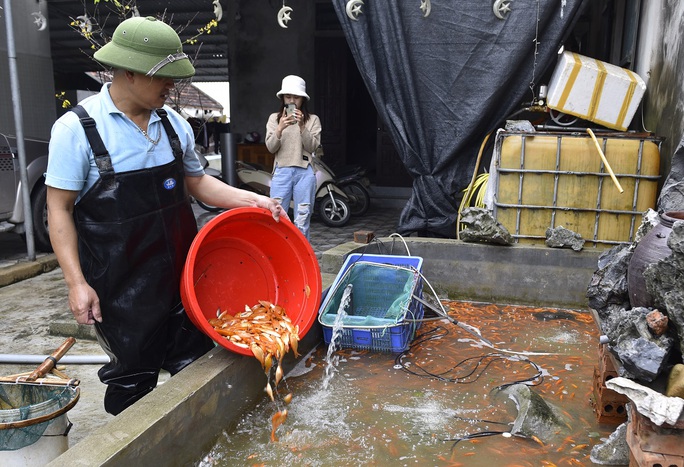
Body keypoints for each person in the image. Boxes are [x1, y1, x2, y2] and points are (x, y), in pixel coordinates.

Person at [45, 16, 286, 416]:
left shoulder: (174, 125)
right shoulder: (77, 130)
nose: (172, 85)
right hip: (120, 290)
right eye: (164, 76)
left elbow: (198, 183)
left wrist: (253, 200)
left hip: (184, 279)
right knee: (134, 385)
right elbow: (59, 208)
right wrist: (76, 284)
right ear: (128, 72)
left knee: (198, 369)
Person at [264, 75, 322, 240]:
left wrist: (302, 126)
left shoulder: (313, 120)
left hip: (305, 172)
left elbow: (313, 147)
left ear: (303, 99)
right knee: (276, 216)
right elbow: (271, 147)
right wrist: (280, 128)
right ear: (282, 98)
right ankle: (279, 256)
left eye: (296, 97)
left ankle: (302, 259)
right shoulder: (274, 119)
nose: (292, 100)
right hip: (281, 171)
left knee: (303, 219)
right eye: (288, 96)